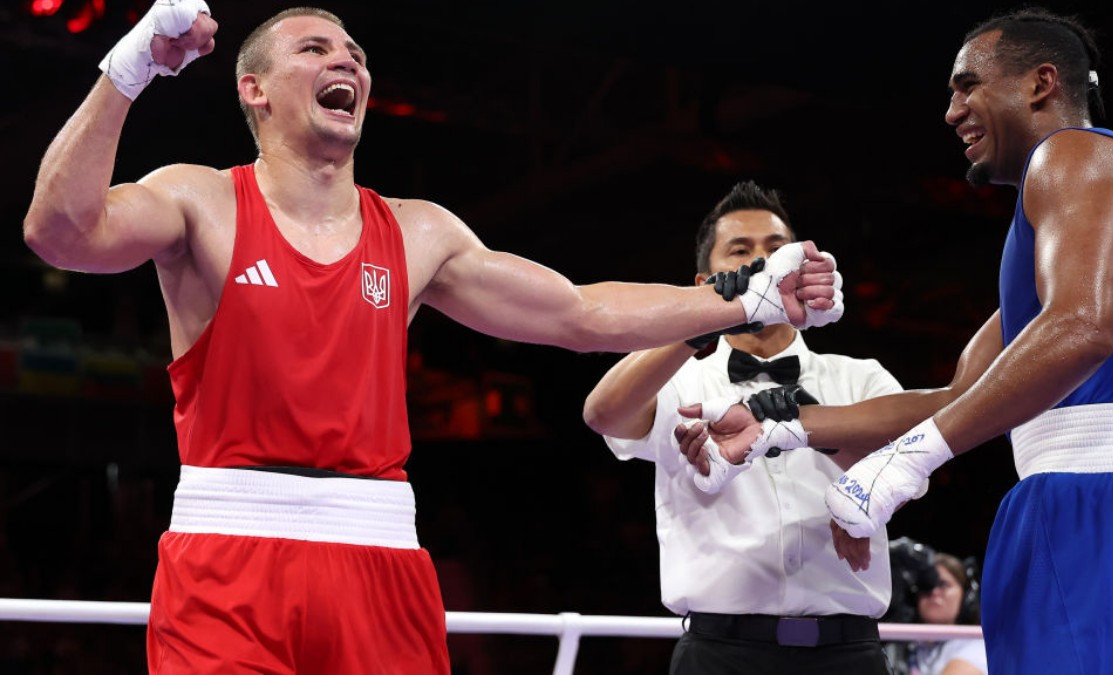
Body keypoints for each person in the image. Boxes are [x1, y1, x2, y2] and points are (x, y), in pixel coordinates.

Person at [21, 4, 842, 673]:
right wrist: (128, 69)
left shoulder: (417, 233)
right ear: (256, 90)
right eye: (316, 47)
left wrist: (750, 293)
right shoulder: (199, 201)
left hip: (380, 564)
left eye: (356, 51)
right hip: (227, 556)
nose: (348, 61)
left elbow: (580, 313)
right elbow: (59, 232)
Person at [675, 8, 1113, 674]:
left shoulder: (1077, 155)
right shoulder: (1067, 222)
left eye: (968, 85)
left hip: (1101, 501)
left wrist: (903, 465)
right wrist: (777, 424)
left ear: (1041, 83)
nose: (952, 111)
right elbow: (959, 395)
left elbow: (1081, 328)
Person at [583, 180, 903, 674]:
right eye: (741, 251)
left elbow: (906, 466)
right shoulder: (678, 382)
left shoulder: (861, 377)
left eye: (777, 250)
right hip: (718, 655)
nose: (763, 264)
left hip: (847, 653)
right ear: (704, 282)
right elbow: (602, 413)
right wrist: (702, 322)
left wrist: (806, 420)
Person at [906, 553, 986, 675]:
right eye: (927, 585)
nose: (934, 592)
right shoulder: (900, 645)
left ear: (966, 597)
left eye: (943, 585)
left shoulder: (976, 645)